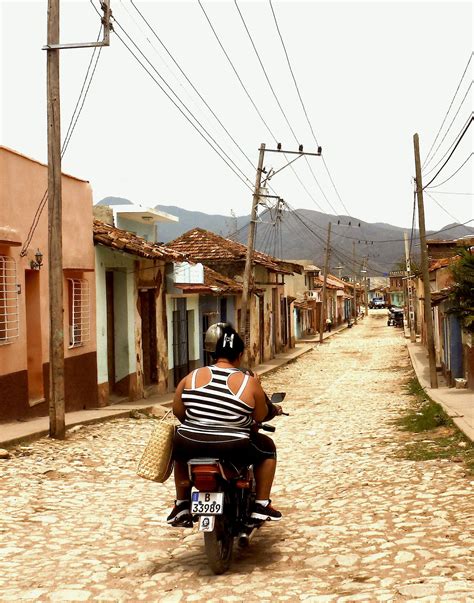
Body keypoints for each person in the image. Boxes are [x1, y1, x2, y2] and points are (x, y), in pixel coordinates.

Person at [167, 323, 282, 528]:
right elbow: (261, 415)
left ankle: (182, 504)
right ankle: (261, 504)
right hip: (233, 445)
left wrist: (199, 426)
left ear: (213, 354)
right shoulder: (248, 382)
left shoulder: (190, 377)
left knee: (180, 452)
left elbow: (178, 412)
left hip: (189, 441)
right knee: (267, 450)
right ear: (239, 355)